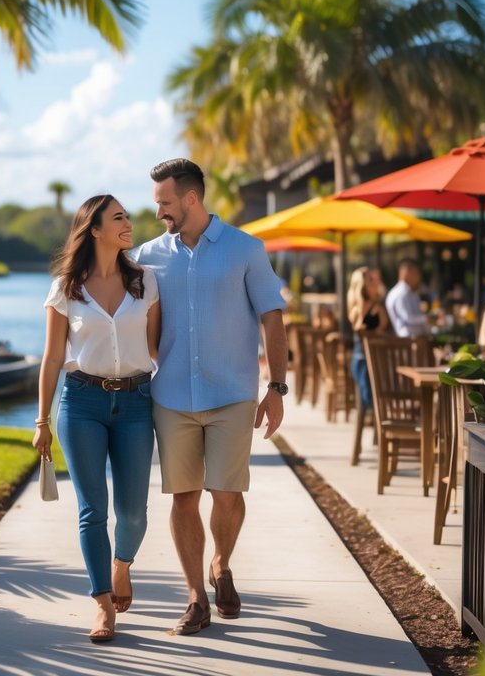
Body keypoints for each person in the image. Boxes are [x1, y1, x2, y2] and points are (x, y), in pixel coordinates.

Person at [133, 158, 287, 636]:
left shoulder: (246, 250)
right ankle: (196, 596)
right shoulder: (147, 256)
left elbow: (273, 318)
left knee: (226, 492)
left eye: (164, 202)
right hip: (172, 394)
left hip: (232, 393)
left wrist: (276, 387)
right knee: (183, 497)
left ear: (191, 198)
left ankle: (222, 562)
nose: (159, 211)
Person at [34, 194, 161, 644]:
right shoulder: (66, 286)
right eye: (119, 218)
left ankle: (121, 566)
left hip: (134, 403)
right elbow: (51, 359)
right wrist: (41, 421)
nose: (129, 223)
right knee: (93, 511)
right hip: (81, 402)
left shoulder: (145, 280)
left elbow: (156, 349)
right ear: (95, 230)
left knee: (133, 512)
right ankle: (103, 605)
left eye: (127, 216)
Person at [346, 266, 389, 414]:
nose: (374, 283)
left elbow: (383, 327)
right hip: (362, 357)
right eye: (370, 280)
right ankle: (371, 411)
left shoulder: (378, 305)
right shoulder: (357, 309)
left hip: (378, 355)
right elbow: (358, 326)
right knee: (365, 371)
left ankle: (376, 411)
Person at [385, 258, 430, 338]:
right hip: (409, 342)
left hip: (415, 340)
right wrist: (428, 319)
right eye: (416, 273)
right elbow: (408, 318)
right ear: (407, 273)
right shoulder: (401, 293)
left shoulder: (408, 292)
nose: (419, 277)